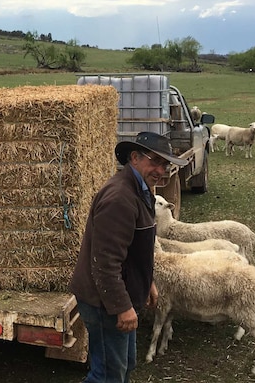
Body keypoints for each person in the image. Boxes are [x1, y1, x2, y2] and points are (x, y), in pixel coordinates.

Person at [69, 131, 188, 383]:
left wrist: (148, 283)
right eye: (155, 161)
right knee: (107, 374)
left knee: (124, 365)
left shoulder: (141, 190)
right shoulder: (120, 198)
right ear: (134, 157)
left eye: (165, 164)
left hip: (120, 295)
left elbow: (135, 250)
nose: (161, 169)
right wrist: (122, 307)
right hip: (104, 303)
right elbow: (105, 262)